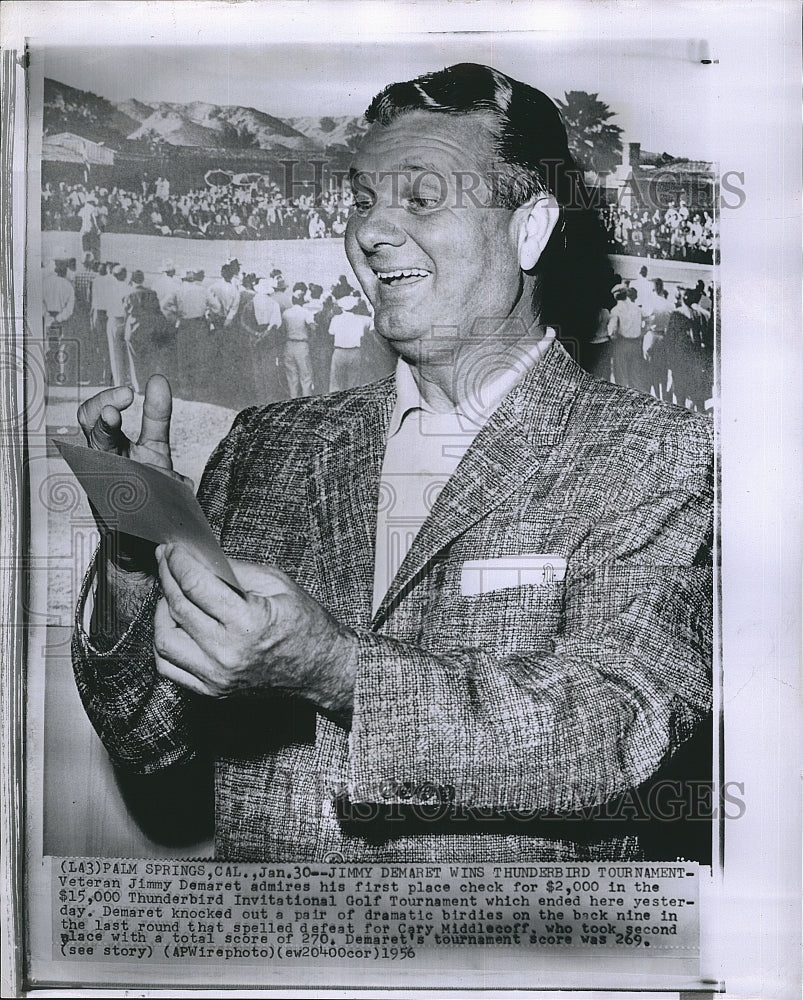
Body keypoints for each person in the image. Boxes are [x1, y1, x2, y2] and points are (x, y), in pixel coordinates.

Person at [73, 63, 712, 863]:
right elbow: (149, 741)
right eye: (362, 201)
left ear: (529, 228)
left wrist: (337, 671)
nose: (372, 232)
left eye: (419, 197)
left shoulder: (653, 455)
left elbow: (618, 727)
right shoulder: (266, 446)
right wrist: (138, 549)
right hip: (278, 968)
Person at [328, 290, 372, 392]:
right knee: (353, 382)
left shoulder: (336, 319)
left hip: (339, 352)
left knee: (336, 382)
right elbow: (362, 335)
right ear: (354, 307)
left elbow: (331, 333)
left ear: (342, 307)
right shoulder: (359, 320)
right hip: (354, 352)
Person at [607, 283, 647, 392]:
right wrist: (642, 332)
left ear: (615, 296)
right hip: (635, 344)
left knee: (621, 377)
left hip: (622, 343)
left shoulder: (616, 310)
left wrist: (613, 339)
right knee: (635, 377)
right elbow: (648, 318)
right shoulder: (637, 308)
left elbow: (611, 330)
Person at [282, 283, 316, 398]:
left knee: (292, 378)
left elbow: (282, 329)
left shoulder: (286, 313)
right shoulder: (306, 313)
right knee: (306, 377)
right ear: (303, 301)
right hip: (302, 344)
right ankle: (306, 401)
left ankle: (293, 400)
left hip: (289, 343)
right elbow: (313, 327)